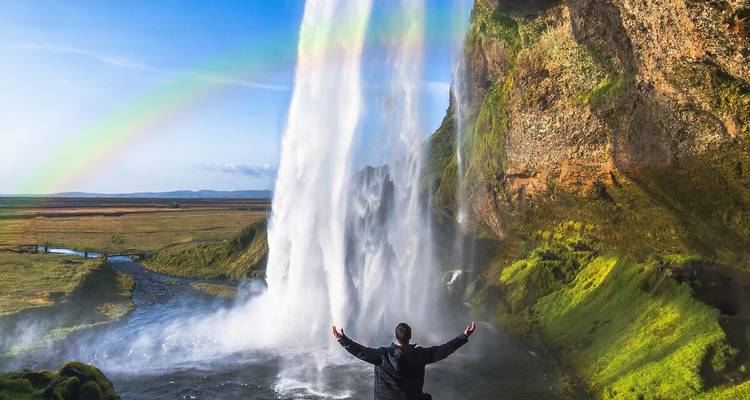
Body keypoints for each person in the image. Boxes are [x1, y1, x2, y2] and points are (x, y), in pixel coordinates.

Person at [332, 321, 476, 400]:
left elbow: (360, 352)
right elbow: (444, 350)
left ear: (396, 337)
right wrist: (464, 336)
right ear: (410, 337)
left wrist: (342, 339)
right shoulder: (420, 355)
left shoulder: (383, 355)